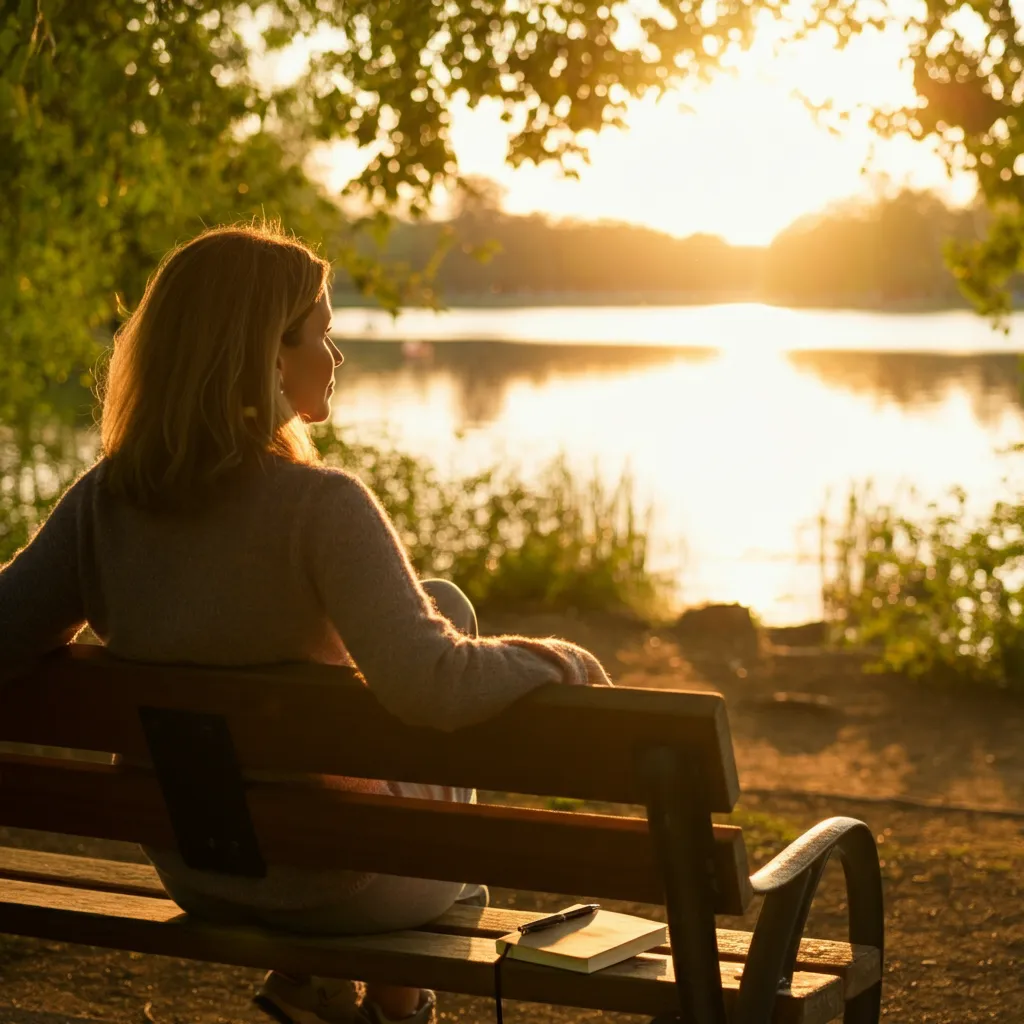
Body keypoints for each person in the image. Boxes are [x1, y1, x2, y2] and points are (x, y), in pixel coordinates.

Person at [0, 224, 613, 1024]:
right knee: (464, 863)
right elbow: (434, 687)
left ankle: (318, 989)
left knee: (440, 607)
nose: (337, 355)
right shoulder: (322, 508)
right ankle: (396, 1006)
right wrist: (558, 660)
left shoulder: (105, 503)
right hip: (340, 885)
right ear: (267, 356)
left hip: (194, 870)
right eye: (322, 333)